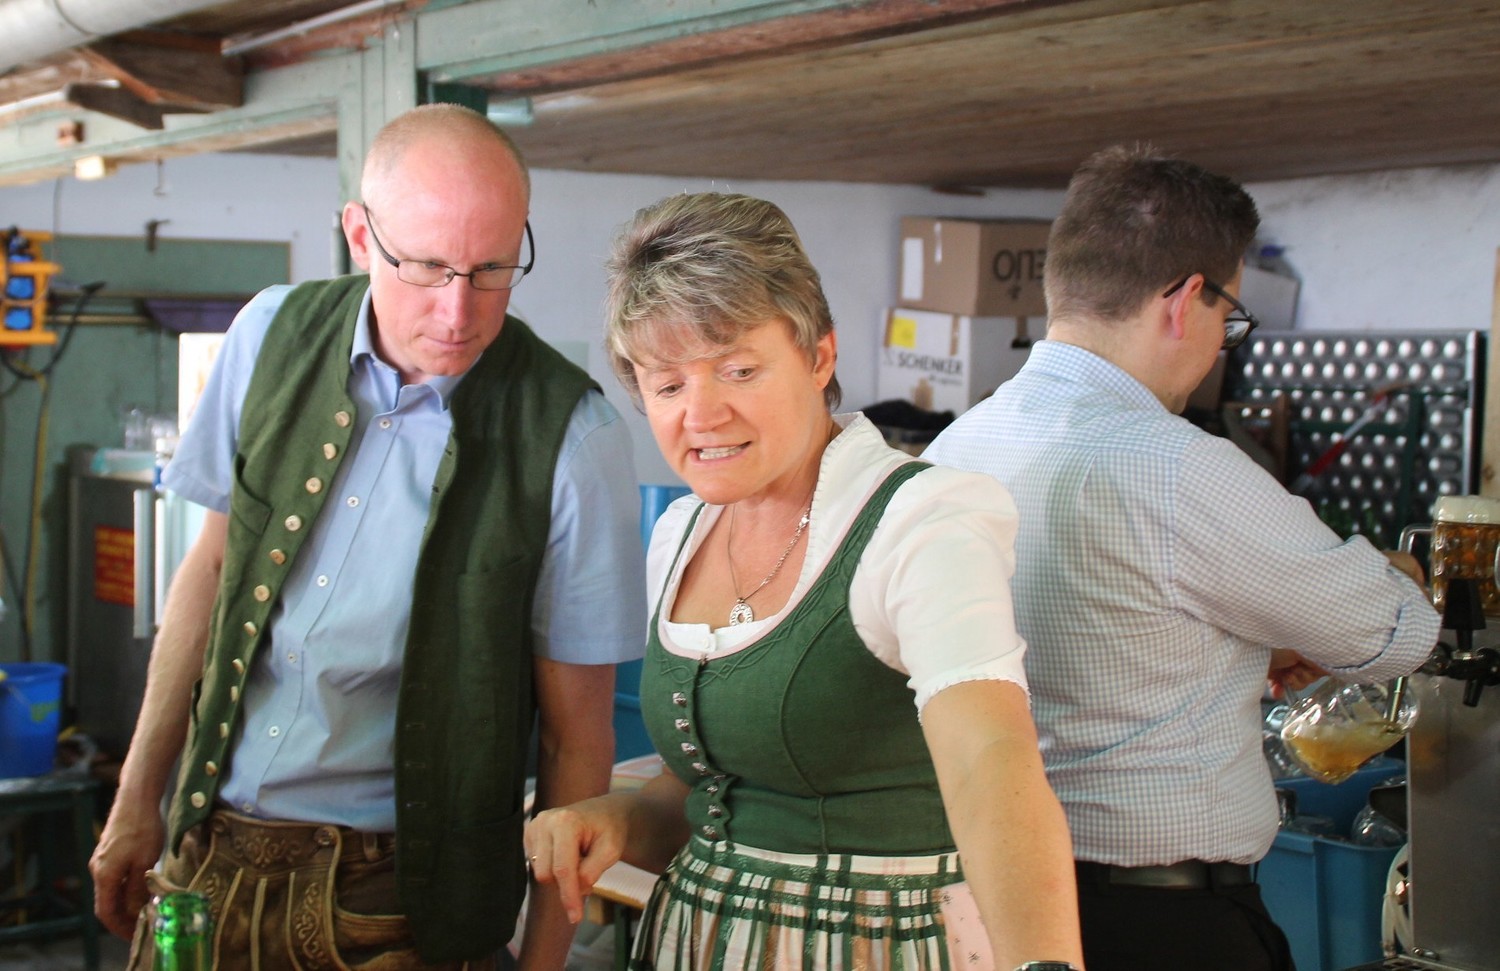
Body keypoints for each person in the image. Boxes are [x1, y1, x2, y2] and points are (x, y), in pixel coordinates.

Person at [88, 103, 647, 971]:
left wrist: (541, 961)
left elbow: (577, 738)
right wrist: (137, 798)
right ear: (359, 235)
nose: (458, 310)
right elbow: (210, 569)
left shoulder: (571, 435)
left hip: (397, 900)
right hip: (205, 859)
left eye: (492, 268)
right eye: (425, 267)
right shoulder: (269, 336)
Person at [524, 192, 1085, 971]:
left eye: (738, 369)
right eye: (668, 384)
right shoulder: (681, 533)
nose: (702, 413)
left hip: (879, 947)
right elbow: (707, 794)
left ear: (820, 357)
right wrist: (618, 819)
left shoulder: (920, 520)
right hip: (699, 944)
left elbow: (989, 760)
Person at [922, 144, 1441, 971]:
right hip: (1160, 923)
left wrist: (1244, 650)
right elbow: (1396, 633)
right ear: (1185, 300)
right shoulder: (1177, 466)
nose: (1219, 345)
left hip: (993, 907)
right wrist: (1406, 572)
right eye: (1227, 319)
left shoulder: (953, 448)